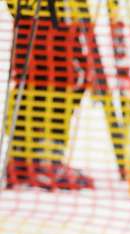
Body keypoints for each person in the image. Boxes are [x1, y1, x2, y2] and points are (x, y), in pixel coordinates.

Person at [3, 0, 95, 190]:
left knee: (35, 74)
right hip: (50, 11)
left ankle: (24, 158)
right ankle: (44, 160)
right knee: (58, 75)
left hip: (38, 11)